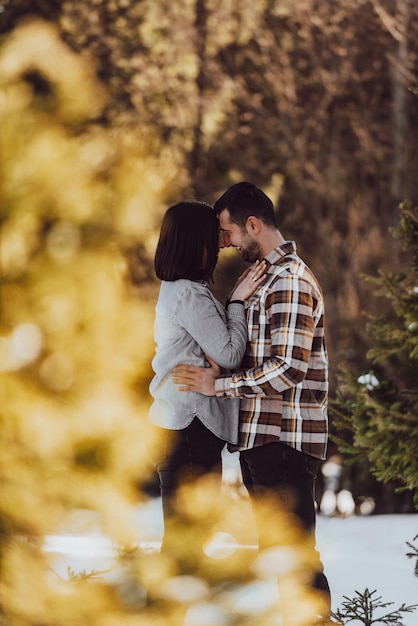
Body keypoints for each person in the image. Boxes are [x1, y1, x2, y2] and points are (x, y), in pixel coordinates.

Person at [172, 182, 331, 615]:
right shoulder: (265, 280)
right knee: (281, 556)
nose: (224, 244)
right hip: (263, 439)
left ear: (253, 224)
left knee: (294, 555)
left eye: (228, 233)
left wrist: (216, 386)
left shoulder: (290, 281)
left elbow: (288, 368)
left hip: (283, 440)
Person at [148, 200, 266, 555]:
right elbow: (229, 354)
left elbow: (220, 354)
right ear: (194, 240)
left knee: (187, 545)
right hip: (189, 431)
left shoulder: (182, 290)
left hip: (184, 429)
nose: (220, 242)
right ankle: (162, 612)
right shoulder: (188, 294)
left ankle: (166, 610)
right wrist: (238, 302)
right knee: (186, 548)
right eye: (213, 234)